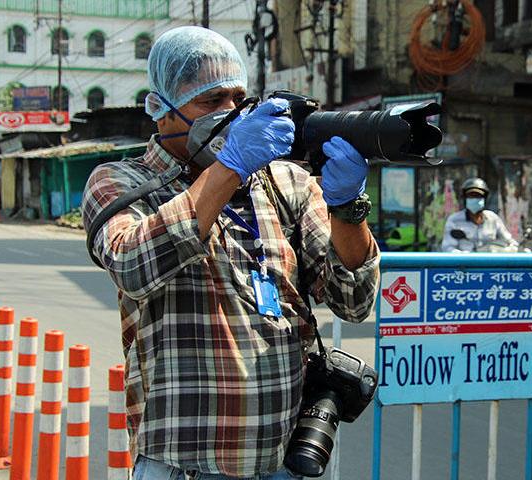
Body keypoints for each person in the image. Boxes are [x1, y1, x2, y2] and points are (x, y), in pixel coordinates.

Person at [82, 26, 380, 480]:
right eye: (210, 101)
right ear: (160, 107)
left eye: (237, 99)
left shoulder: (285, 183)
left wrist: (349, 209)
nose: (230, 113)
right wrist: (229, 167)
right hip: (185, 466)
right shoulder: (119, 183)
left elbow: (354, 301)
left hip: (283, 460)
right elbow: (132, 265)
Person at [441, 177, 518, 253]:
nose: (475, 199)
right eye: (471, 196)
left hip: (489, 263)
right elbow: (448, 248)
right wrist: (464, 255)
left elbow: (509, 241)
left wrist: (512, 249)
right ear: (465, 198)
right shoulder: (454, 220)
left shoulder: (492, 218)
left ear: (484, 199)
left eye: (478, 196)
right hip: (464, 263)